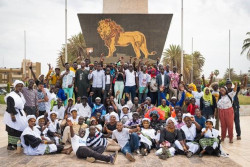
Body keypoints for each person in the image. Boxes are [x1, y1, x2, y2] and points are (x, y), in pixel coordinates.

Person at [4, 80, 28, 150]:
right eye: (18, 86)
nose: (20, 87)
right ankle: (10, 145)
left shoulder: (20, 94)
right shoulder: (11, 95)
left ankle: (16, 144)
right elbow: (10, 106)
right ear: (15, 86)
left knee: (20, 128)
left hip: (20, 113)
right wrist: (12, 115)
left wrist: (24, 112)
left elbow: (22, 104)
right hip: (12, 113)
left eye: (21, 86)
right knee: (12, 129)